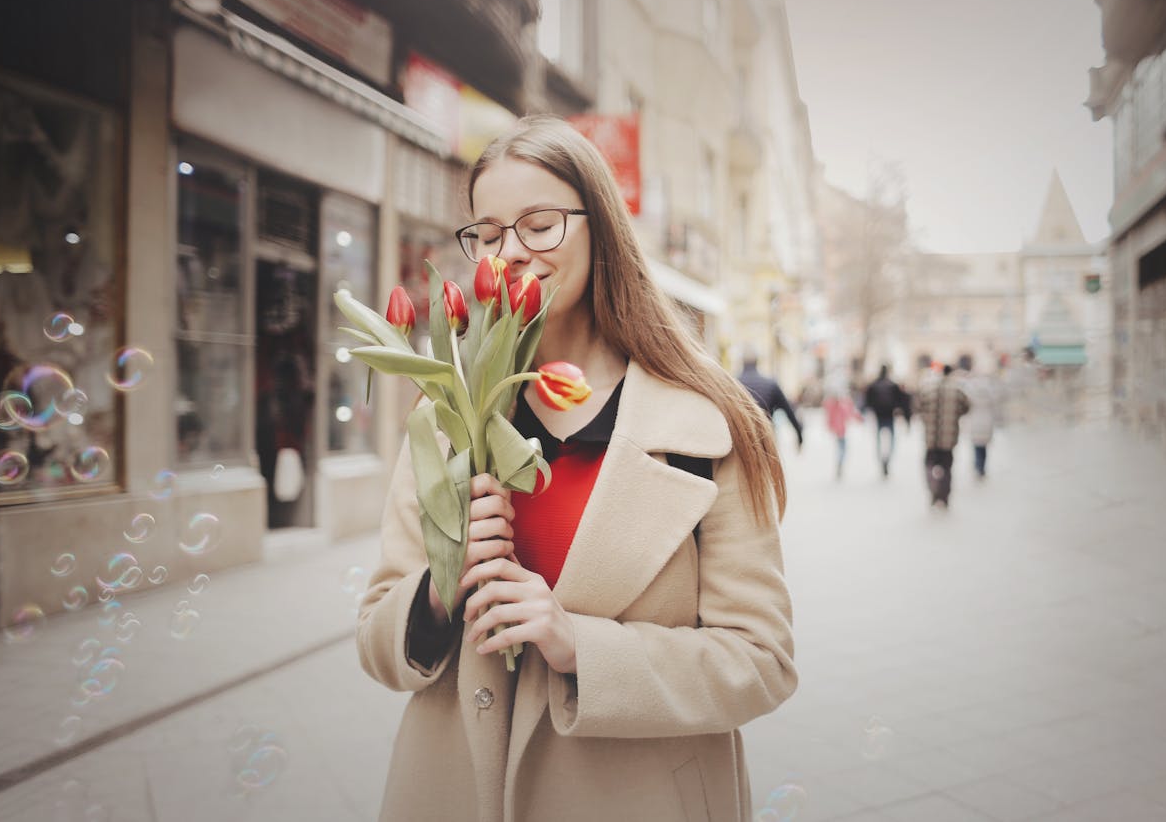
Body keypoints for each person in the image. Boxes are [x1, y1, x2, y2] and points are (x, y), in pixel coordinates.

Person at [356, 115, 796, 822]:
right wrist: (439, 586)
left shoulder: (708, 423)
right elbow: (376, 633)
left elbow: (762, 659)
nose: (513, 252)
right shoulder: (446, 409)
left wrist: (579, 645)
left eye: (540, 224)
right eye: (490, 233)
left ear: (600, 229)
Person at [914, 363, 971, 507]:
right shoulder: (958, 391)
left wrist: (927, 418)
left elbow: (918, 406)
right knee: (947, 467)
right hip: (949, 437)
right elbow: (966, 407)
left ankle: (933, 490)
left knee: (929, 465)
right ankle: (944, 495)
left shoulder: (929, 389)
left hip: (931, 437)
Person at [737, 348, 804, 451]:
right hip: (767, 441)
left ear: (742, 362)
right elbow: (789, 411)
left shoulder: (733, 384)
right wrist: (799, 436)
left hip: (742, 442)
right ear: (757, 362)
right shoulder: (771, 385)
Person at [863, 364, 909, 477]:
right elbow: (902, 400)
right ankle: (887, 459)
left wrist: (870, 411)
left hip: (879, 416)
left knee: (878, 441)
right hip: (889, 416)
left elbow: (867, 401)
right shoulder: (892, 385)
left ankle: (881, 459)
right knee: (892, 441)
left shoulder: (873, 385)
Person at [960, 359, 1003, 478]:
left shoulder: (970, 388)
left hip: (975, 421)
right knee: (983, 446)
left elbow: (965, 405)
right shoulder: (990, 388)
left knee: (976, 445)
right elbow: (996, 401)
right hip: (987, 421)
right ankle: (981, 466)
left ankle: (978, 465)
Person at [822, 374, 862, 479]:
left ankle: (839, 461)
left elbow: (828, 415)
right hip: (842, 429)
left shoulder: (830, 402)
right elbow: (850, 413)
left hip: (836, 428)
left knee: (839, 445)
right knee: (843, 447)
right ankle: (840, 461)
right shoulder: (844, 402)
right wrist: (859, 419)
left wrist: (828, 425)